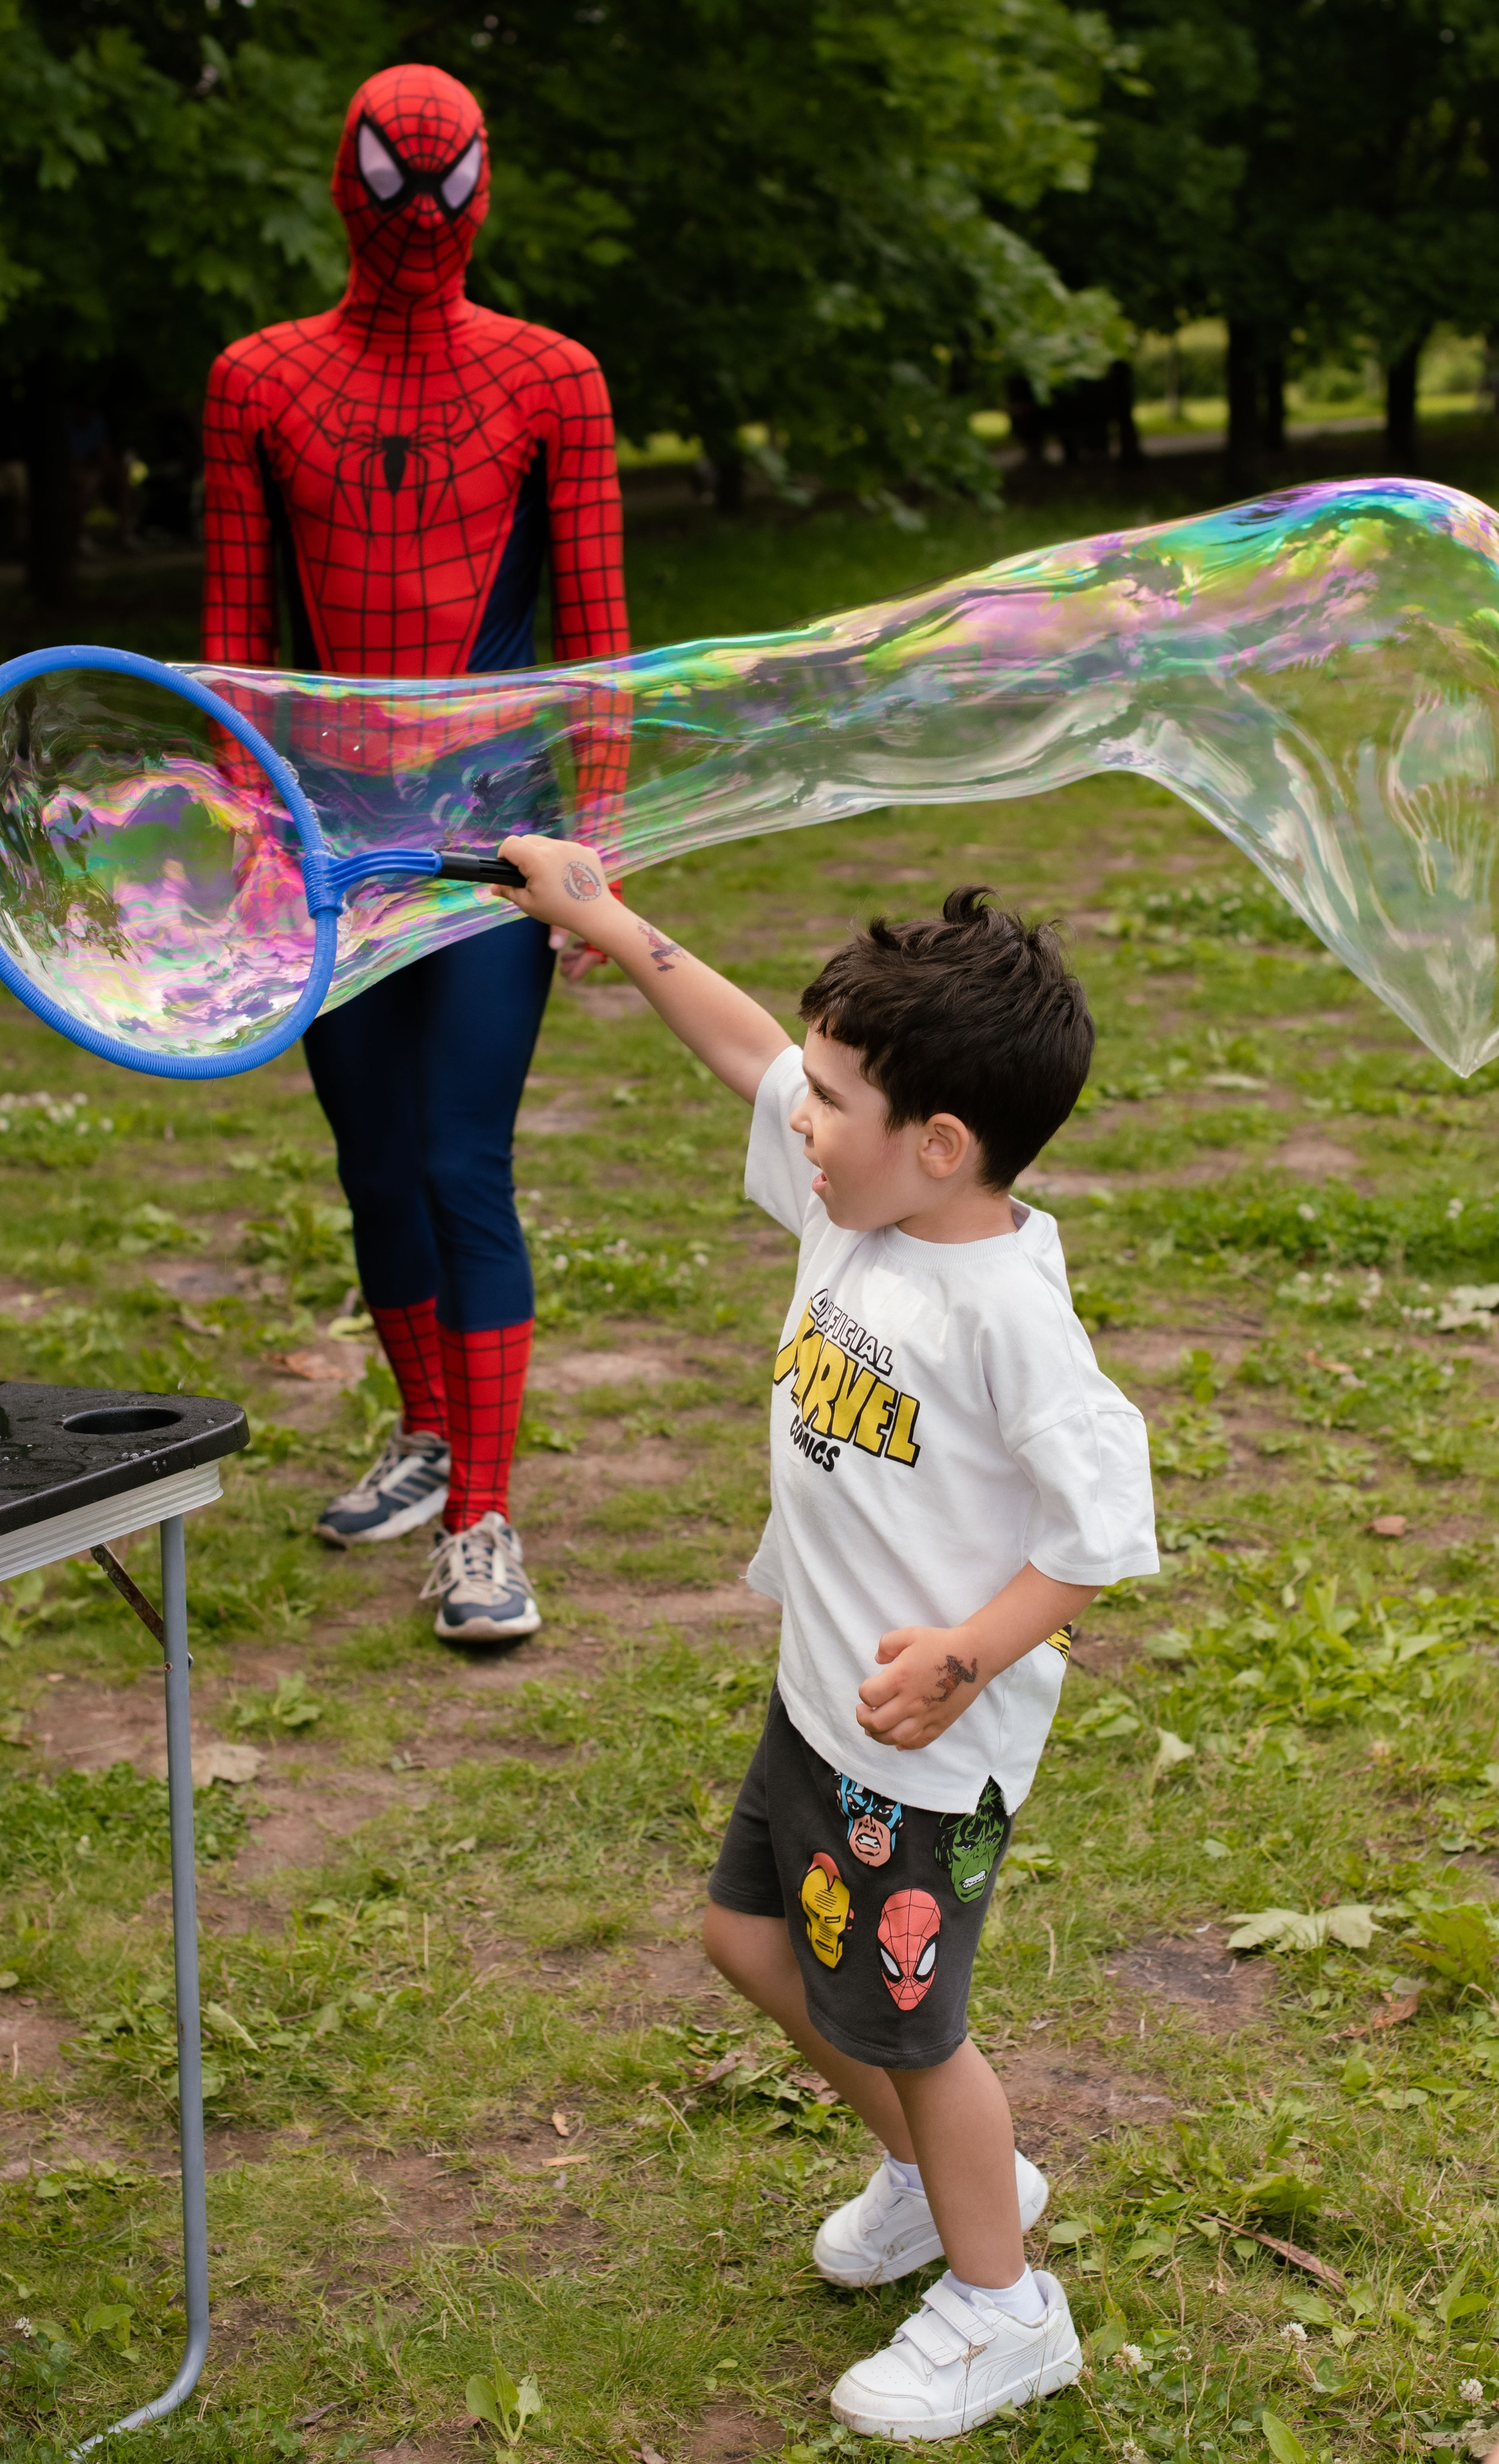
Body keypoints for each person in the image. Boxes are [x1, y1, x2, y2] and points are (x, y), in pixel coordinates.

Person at [497, 831, 1158, 2442]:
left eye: (832, 1101)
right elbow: (743, 1043)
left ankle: (1007, 2307)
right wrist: (608, 922)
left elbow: (1100, 1530)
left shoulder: (1005, 1310)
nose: (798, 1113)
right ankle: (959, 2188)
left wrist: (967, 1656)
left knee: (911, 2031)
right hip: (821, 1702)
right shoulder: (855, 1205)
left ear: (937, 1144)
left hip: (921, 1749)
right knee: (749, 1946)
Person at [200, 64, 629, 1643]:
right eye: (395, 180)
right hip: (325, 838)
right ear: (344, 179)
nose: (417, 216)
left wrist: (594, 850)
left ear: (484, 188)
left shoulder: (551, 379)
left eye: (444, 185)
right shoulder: (257, 379)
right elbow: (238, 647)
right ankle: (429, 1427)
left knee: (461, 1157)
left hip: (491, 838)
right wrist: (255, 840)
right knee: (372, 1157)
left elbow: (598, 643)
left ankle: (484, 1520)